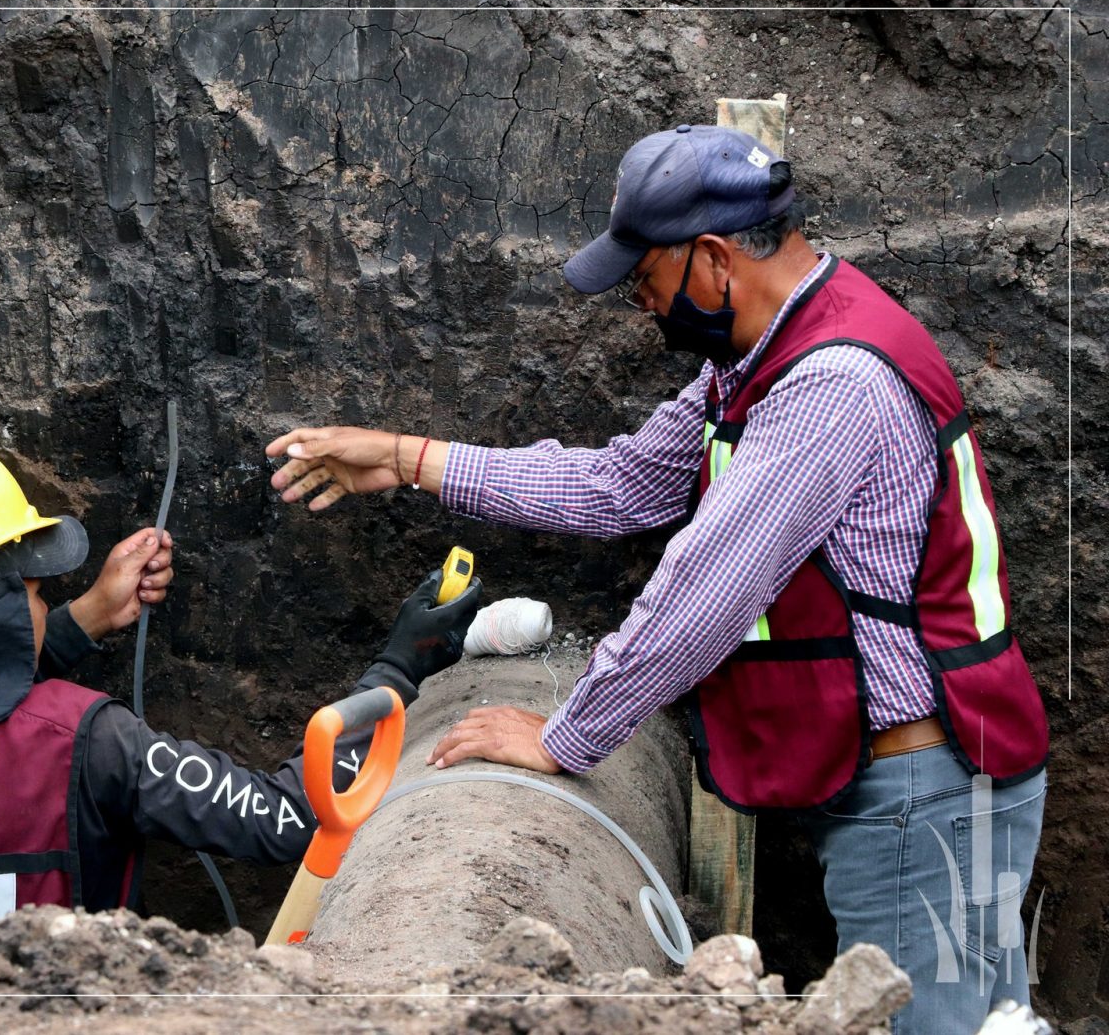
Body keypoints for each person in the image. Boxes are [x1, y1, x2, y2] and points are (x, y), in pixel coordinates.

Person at [265, 124, 1048, 1032]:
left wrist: (569, 737)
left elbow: (706, 593)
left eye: (645, 279)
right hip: (914, 780)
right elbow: (620, 483)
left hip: (926, 792)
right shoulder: (767, 357)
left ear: (713, 260)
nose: (640, 303)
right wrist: (408, 458)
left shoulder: (830, 385)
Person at [0, 436, 480, 979]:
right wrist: (397, 669)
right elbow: (289, 821)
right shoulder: (89, 744)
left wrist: (85, 620)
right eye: (35, 592)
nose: (46, 602)